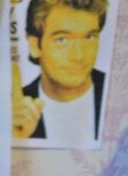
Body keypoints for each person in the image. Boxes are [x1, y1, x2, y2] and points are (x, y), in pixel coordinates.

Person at [14, 0, 107, 142]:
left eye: (89, 37)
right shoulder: (16, 109)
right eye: (62, 40)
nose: (79, 56)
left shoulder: (119, 92)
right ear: (35, 46)